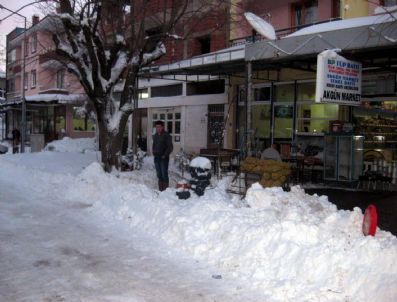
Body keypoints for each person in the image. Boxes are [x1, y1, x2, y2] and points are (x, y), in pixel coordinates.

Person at [152, 120, 173, 191]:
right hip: (156, 157)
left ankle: (165, 191)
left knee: (164, 174)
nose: (158, 128)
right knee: (159, 174)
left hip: (164, 157)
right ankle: (161, 190)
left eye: (159, 127)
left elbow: (170, 147)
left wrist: (165, 155)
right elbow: (154, 145)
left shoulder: (166, 135)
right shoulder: (155, 136)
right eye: (156, 127)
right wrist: (154, 152)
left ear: (162, 127)